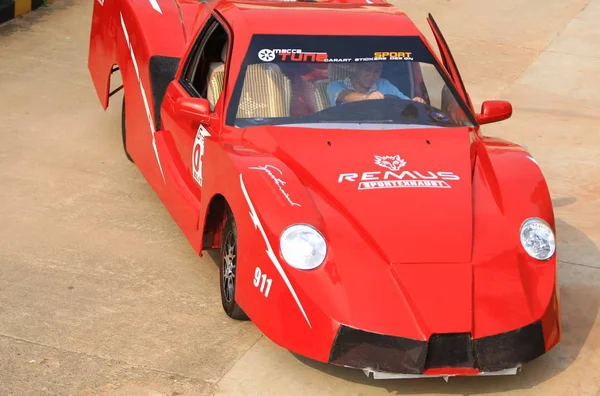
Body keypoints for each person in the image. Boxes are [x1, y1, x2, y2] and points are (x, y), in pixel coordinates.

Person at [327, 62, 426, 106]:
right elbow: (345, 96)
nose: (372, 75)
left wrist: (415, 102)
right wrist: (366, 98)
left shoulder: (384, 84)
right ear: (356, 68)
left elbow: (404, 102)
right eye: (367, 70)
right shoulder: (335, 85)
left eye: (377, 71)